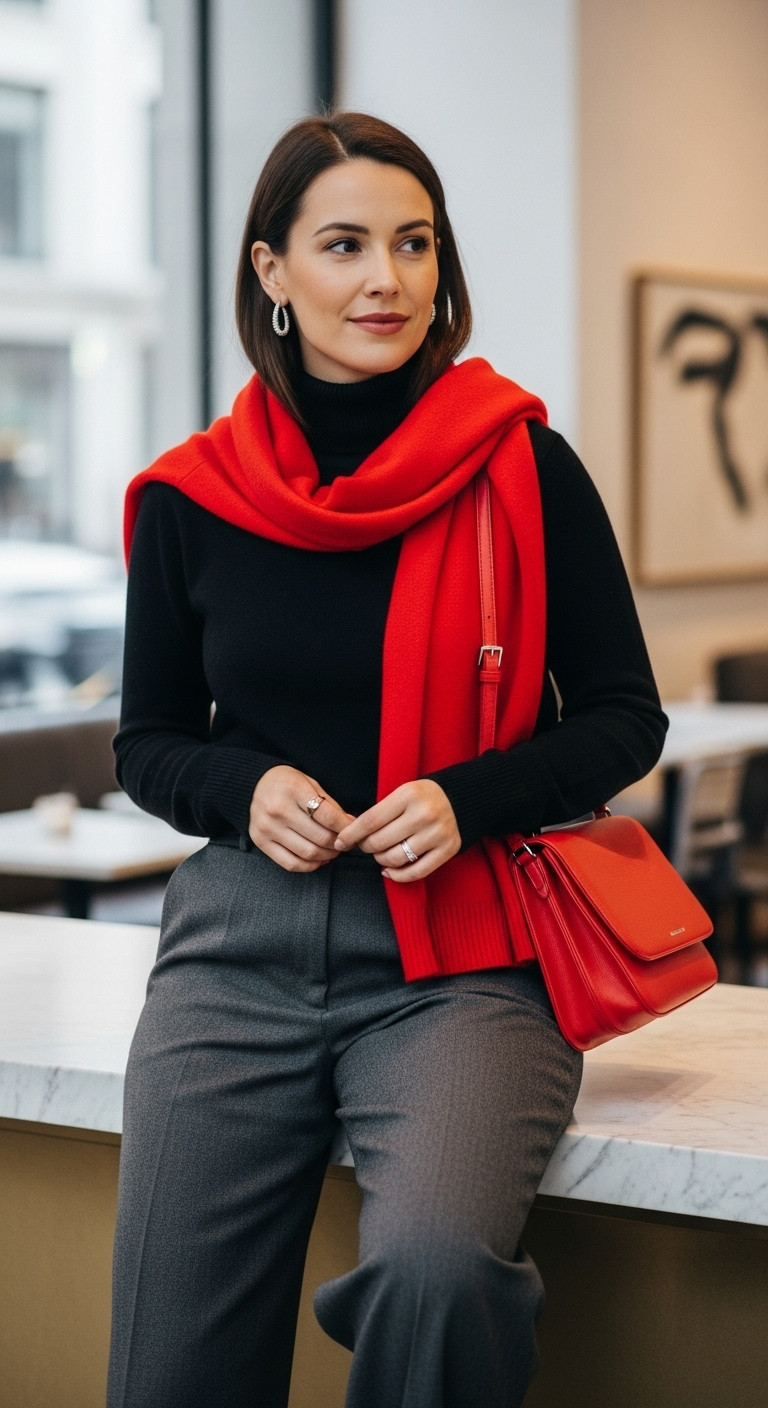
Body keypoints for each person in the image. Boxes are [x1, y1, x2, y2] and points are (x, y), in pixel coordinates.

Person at [107, 112, 667, 1408]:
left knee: (437, 1276)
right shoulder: (193, 498)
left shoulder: (519, 459)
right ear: (270, 272)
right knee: (171, 1356)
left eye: (414, 244)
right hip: (235, 953)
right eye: (346, 244)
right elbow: (149, 744)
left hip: (465, 961)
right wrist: (240, 789)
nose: (388, 280)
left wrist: (466, 799)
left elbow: (625, 715)